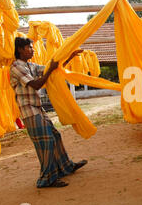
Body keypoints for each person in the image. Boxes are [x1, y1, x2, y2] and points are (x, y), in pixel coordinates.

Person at [10, 37, 87, 188]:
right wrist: (51, 68)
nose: (33, 50)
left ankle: (66, 167)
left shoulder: (30, 65)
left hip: (37, 107)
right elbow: (37, 84)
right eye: (29, 47)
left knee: (55, 136)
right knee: (45, 142)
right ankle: (46, 179)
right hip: (29, 111)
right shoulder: (16, 67)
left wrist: (69, 56)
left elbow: (53, 69)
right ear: (20, 49)